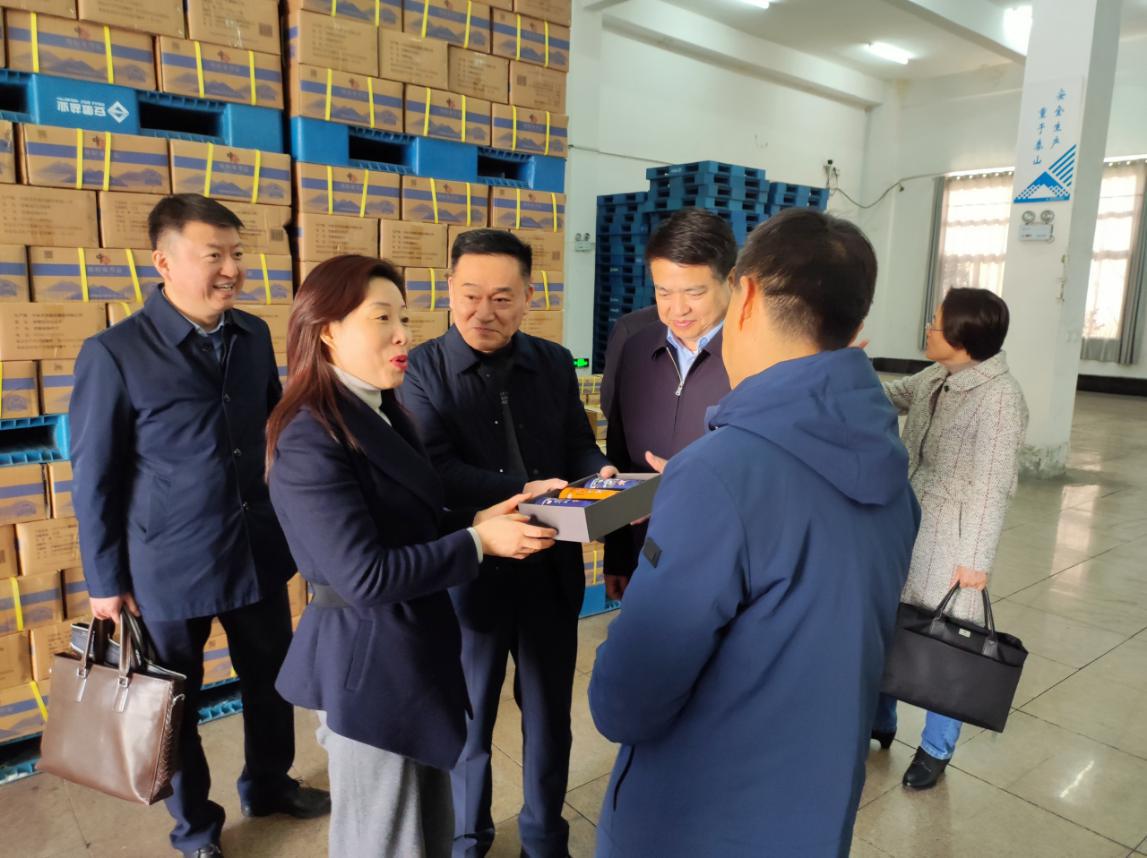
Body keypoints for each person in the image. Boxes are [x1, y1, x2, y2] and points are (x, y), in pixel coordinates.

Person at [588, 208, 920, 858]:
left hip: (700, 819)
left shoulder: (719, 474)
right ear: (854, 323)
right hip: (814, 811)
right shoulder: (885, 461)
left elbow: (624, 703)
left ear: (743, 294)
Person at [265, 255, 557, 857]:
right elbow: (365, 575)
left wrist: (479, 518)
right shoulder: (310, 434)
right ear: (327, 330)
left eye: (404, 317)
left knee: (425, 829)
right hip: (367, 664)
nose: (403, 335)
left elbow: (413, 519)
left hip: (411, 650)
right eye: (382, 319)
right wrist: (479, 543)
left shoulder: (379, 410)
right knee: (383, 839)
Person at [68, 194, 329, 858]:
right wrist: (104, 581)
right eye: (214, 255)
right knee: (173, 705)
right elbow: (94, 476)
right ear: (164, 261)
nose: (232, 269)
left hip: (255, 551)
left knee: (271, 679)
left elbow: (276, 437)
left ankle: (268, 784)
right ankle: (195, 830)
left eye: (237, 253)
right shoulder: (115, 353)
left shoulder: (252, 336)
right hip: (167, 567)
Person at [401, 229, 616, 858]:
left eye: (501, 298)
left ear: (528, 297)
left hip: (550, 567)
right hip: (473, 572)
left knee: (549, 714)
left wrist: (599, 471)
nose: (483, 312)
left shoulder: (552, 361)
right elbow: (437, 470)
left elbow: (578, 441)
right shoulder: (420, 370)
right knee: (469, 719)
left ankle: (544, 838)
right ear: (448, 290)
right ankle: (468, 839)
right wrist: (525, 489)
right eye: (470, 295)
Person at [872, 287, 1028, 790]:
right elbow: (890, 396)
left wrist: (975, 560)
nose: (927, 328)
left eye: (935, 322)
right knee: (893, 619)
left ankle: (936, 748)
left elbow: (992, 486)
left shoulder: (1000, 399)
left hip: (955, 536)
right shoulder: (938, 375)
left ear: (962, 337)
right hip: (909, 518)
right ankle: (881, 719)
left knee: (948, 642)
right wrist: (845, 368)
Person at [602, 208, 734, 600]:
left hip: (722, 564)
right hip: (646, 557)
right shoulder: (636, 348)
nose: (677, 309)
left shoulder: (757, 356)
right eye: (663, 292)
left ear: (731, 281)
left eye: (694, 293)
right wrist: (617, 555)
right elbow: (620, 456)